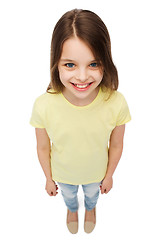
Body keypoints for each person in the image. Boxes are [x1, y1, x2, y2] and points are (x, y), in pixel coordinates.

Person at [30, 9, 131, 234]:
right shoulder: (43, 105)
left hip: (97, 176)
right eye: (70, 65)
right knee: (68, 197)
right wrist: (48, 178)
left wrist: (109, 175)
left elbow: (116, 144)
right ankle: (72, 209)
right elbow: (42, 146)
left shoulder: (116, 102)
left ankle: (91, 208)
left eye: (93, 64)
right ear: (56, 63)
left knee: (92, 196)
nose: (83, 77)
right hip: (63, 176)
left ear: (106, 61)